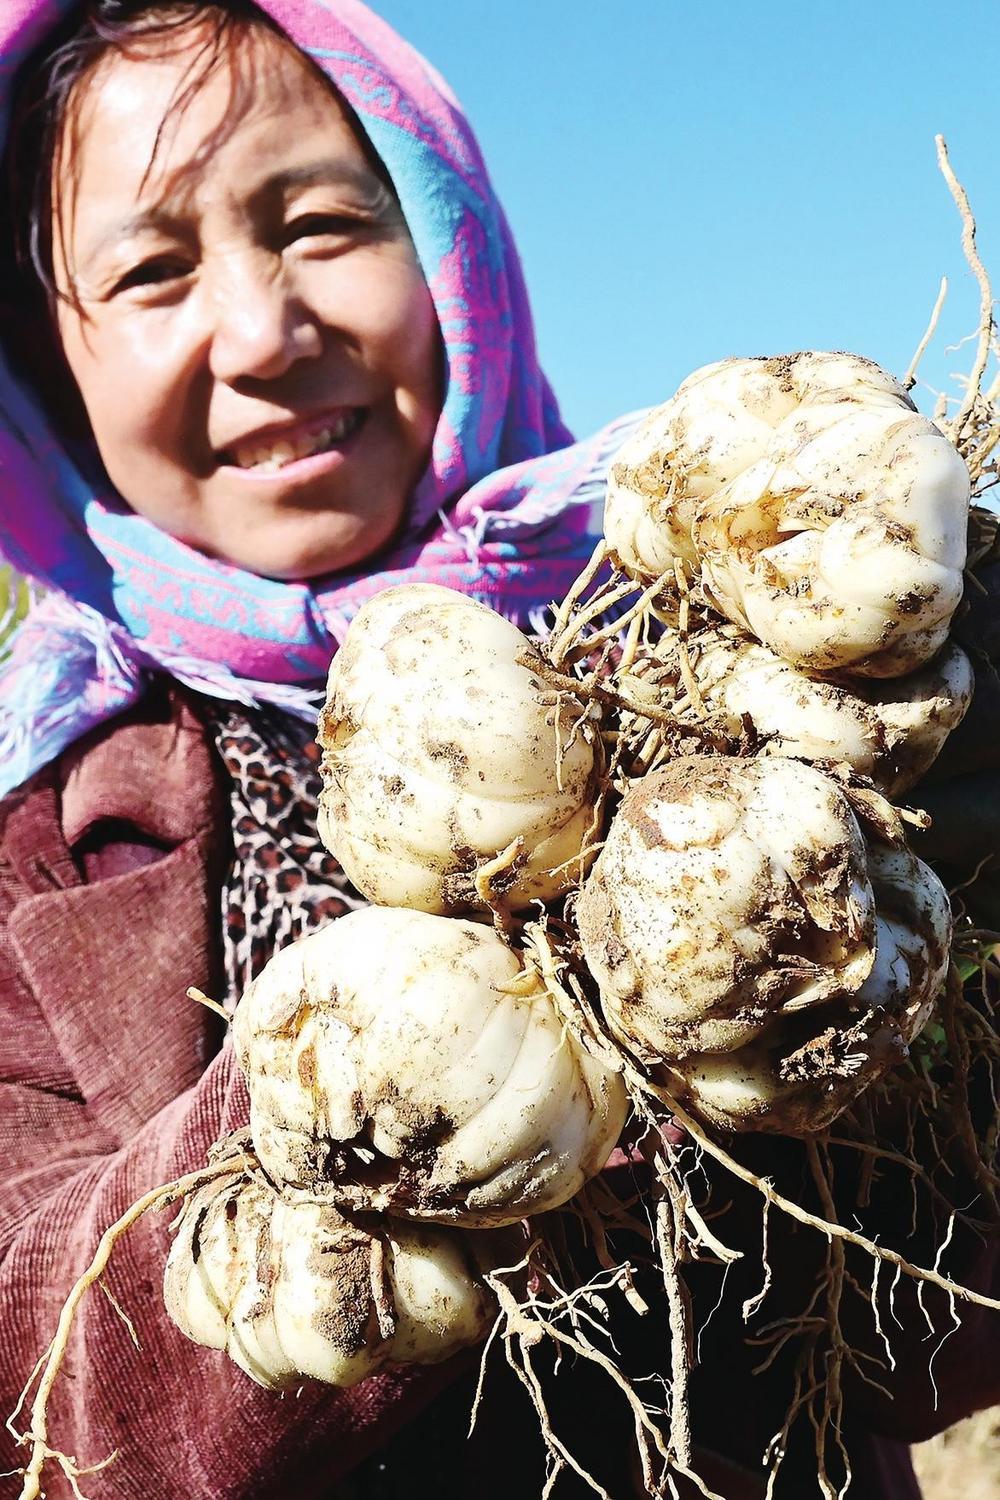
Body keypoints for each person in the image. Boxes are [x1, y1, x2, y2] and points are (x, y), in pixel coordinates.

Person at [0, 3, 997, 1497]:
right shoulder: (35, 835)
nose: (265, 335)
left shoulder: (705, 640)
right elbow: (35, 1385)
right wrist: (344, 1128)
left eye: (323, 225)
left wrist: (940, 961)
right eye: (150, 272)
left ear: (448, 245)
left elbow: (919, 1342)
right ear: (43, 364)